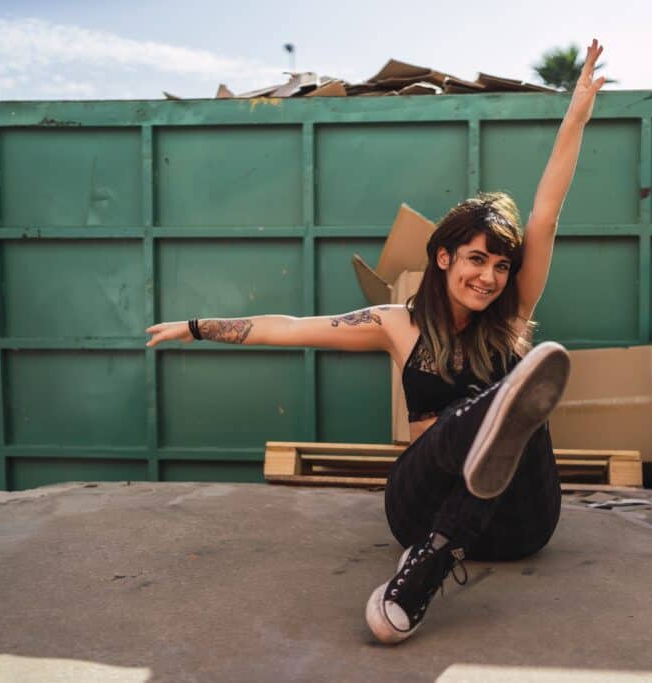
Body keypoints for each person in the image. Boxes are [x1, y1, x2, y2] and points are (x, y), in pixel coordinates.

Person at [145, 39, 607, 645]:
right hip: (420, 510)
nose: (489, 277)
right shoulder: (398, 323)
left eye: (500, 266)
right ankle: (443, 529)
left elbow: (544, 216)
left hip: (520, 521)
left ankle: (494, 441)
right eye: (475, 260)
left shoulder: (514, 316)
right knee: (471, 420)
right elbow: (292, 327)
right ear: (443, 258)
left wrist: (575, 114)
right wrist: (199, 326)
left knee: (516, 416)